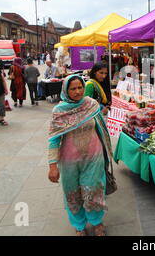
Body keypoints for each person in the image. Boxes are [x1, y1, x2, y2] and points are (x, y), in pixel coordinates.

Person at [47, 75, 113, 236]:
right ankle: (79, 225)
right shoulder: (59, 111)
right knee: (72, 192)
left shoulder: (91, 104)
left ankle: (97, 222)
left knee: (95, 189)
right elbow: (54, 140)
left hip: (93, 157)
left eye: (80, 87)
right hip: (70, 161)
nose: (77, 92)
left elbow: (101, 128)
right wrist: (52, 166)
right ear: (66, 90)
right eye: (73, 88)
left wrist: (107, 153)